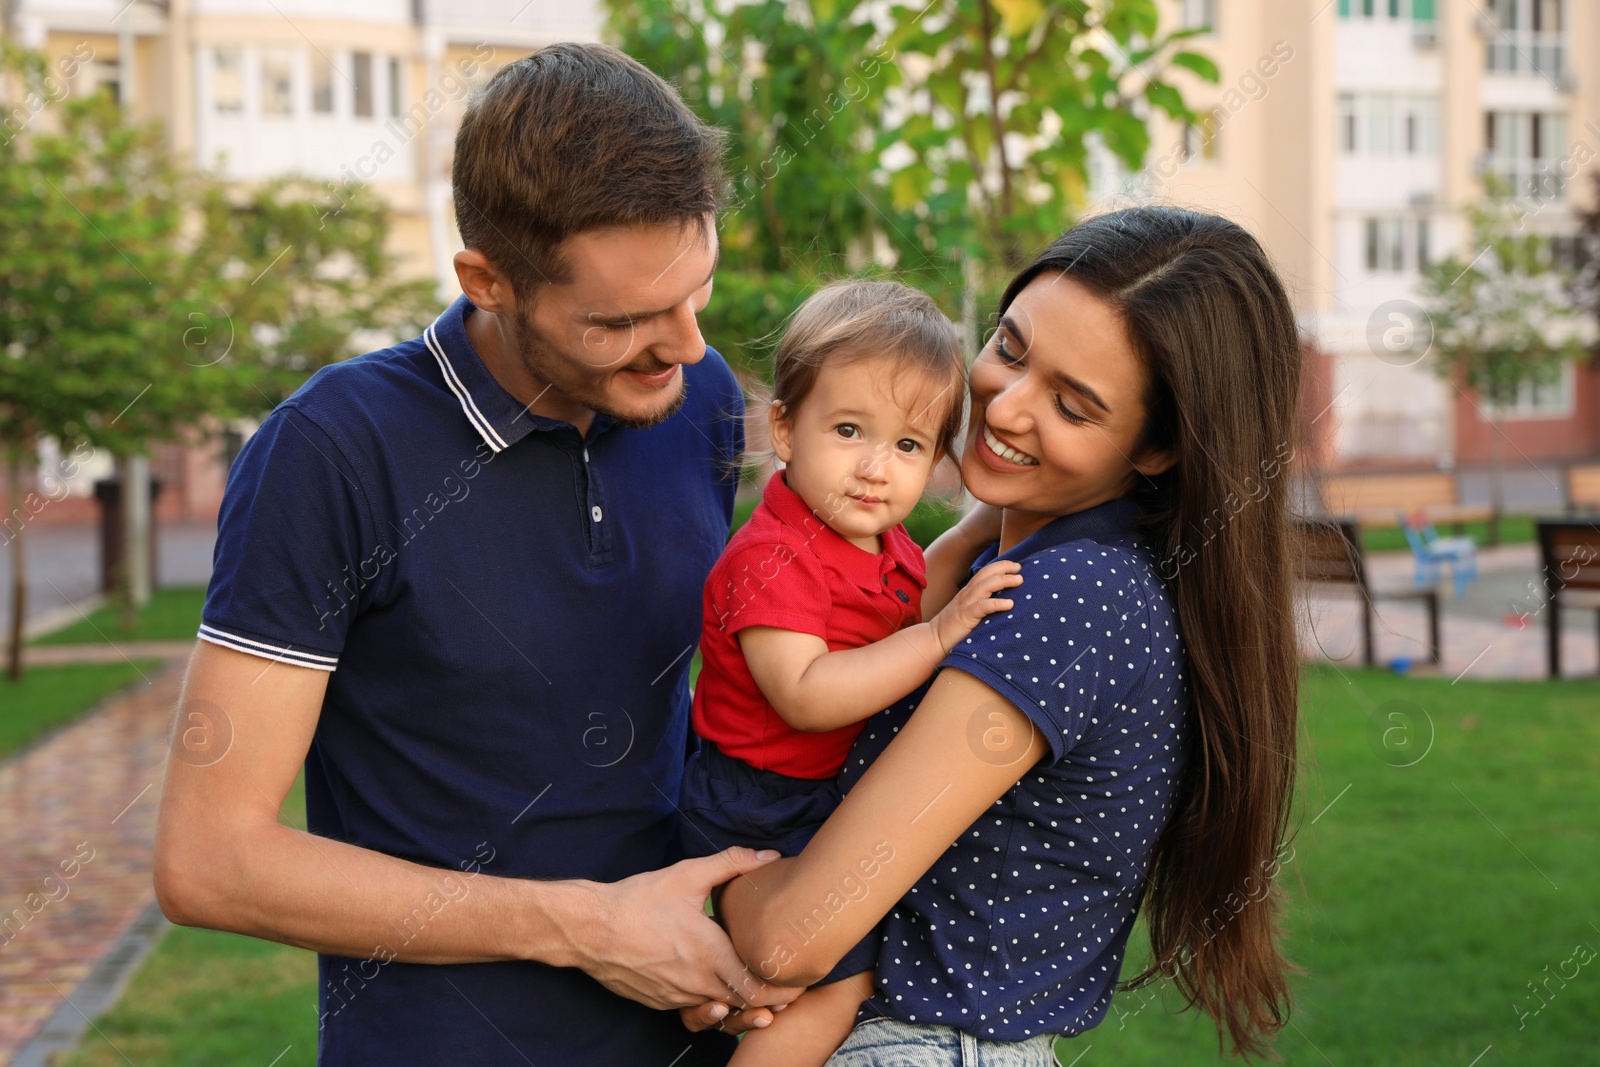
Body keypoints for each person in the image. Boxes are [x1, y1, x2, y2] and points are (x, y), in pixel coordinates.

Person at [152, 43, 802, 1065]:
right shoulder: (330, 451)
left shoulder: (698, 398)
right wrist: (586, 926)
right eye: (621, 321)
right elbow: (209, 860)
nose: (682, 345)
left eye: (697, 291)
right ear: (486, 280)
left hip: (692, 1029)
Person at [715, 206, 1304, 1063]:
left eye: (1071, 404)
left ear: (1159, 448)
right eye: (1011, 348)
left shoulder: (1072, 599)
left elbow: (791, 938)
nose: (1004, 404)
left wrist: (707, 884)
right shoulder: (1044, 558)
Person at [680, 280, 1025, 1065]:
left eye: (908, 446)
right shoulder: (772, 558)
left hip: (818, 792)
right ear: (785, 428)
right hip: (757, 800)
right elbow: (805, 694)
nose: (876, 467)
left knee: (794, 981)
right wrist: (940, 637)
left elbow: (904, 597)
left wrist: (986, 524)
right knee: (831, 983)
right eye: (848, 429)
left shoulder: (875, 538)